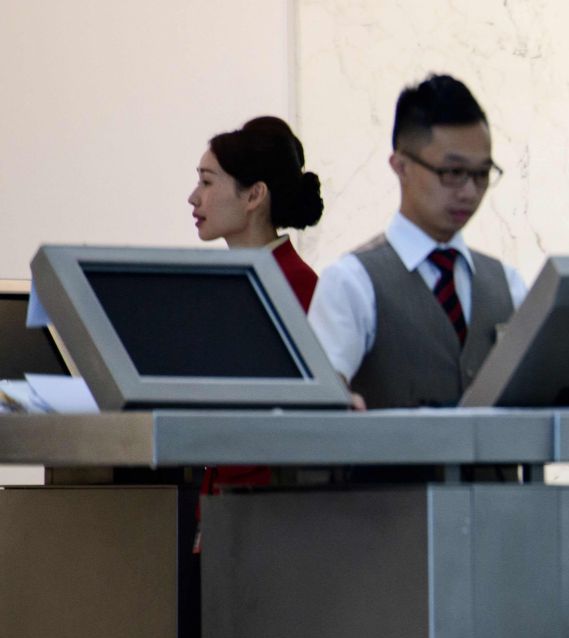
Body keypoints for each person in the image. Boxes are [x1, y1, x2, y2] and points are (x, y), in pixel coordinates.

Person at [308, 74, 526, 409]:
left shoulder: (507, 284)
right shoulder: (352, 282)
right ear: (401, 166)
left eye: (481, 174)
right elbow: (317, 406)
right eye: (452, 173)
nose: (469, 191)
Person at [190, 116, 325, 308]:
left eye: (207, 182)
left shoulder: (295, 283)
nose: (193, 198)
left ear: (254, 195)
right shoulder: (227, 278)